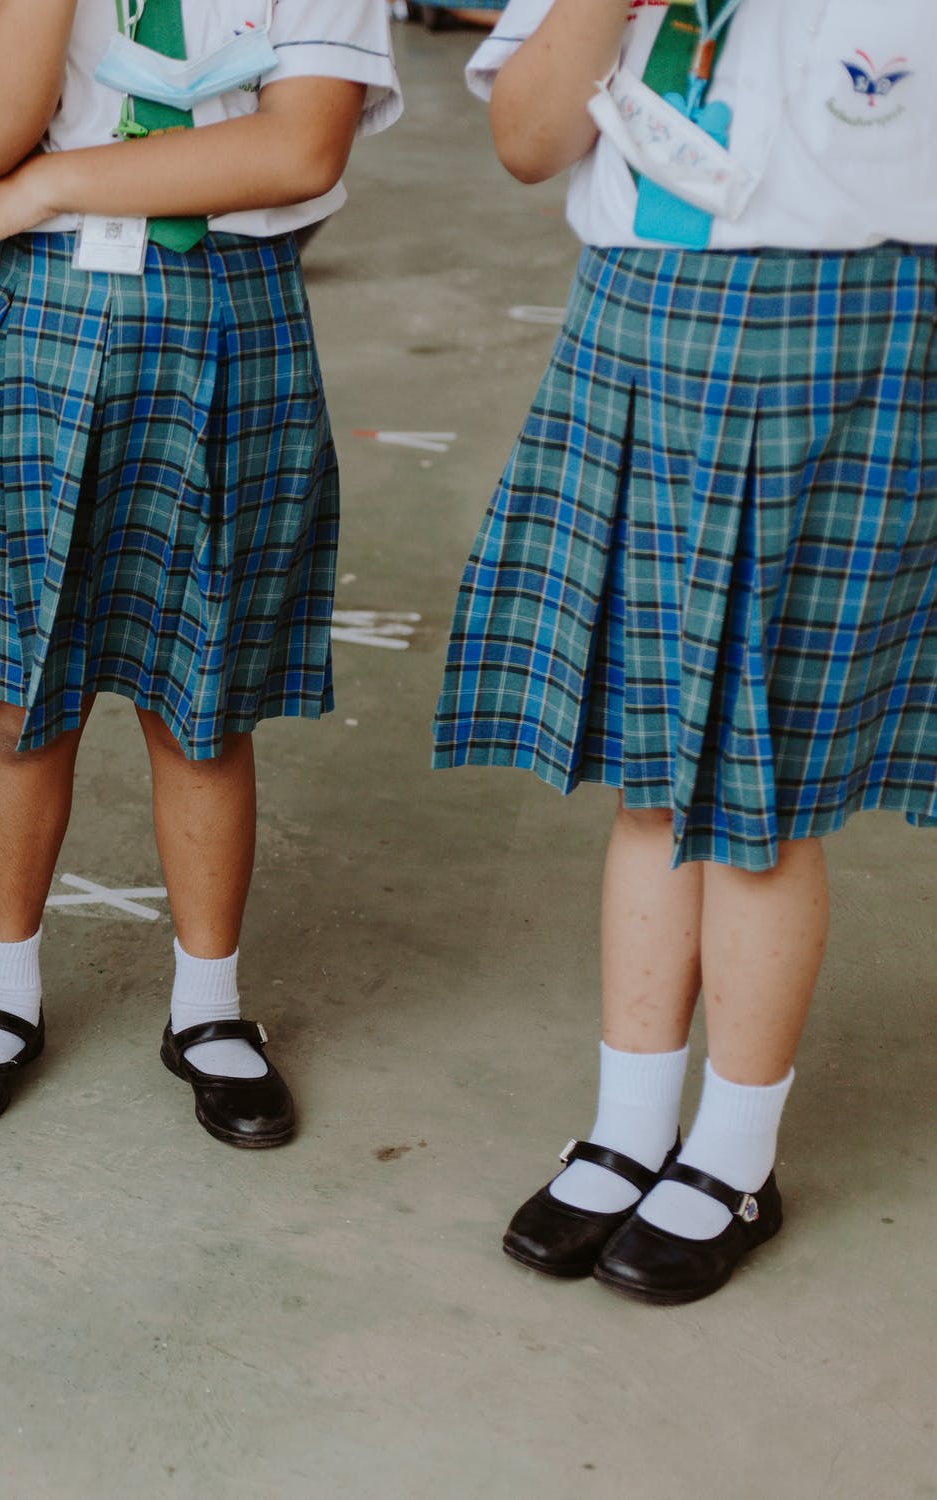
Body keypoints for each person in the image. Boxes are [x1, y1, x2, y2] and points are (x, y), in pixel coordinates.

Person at [437, 0, 937, 1304]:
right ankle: (627, 1123)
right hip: (638, 318)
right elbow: (524, 138)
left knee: (762, 787)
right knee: (653, 769)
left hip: (841, 333)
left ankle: (732, 1152)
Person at [0, 0, 398, 1144]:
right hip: (39, 304)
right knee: (24, 691)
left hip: (228, 302)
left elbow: (299, 144)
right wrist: (27, 183)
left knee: (202, 700)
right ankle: (3, 993)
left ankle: (209, 1009)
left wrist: (55, 186)